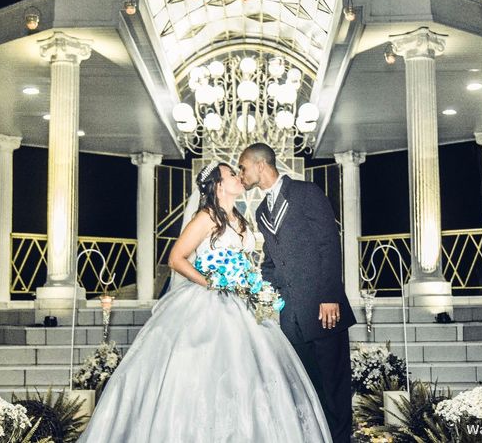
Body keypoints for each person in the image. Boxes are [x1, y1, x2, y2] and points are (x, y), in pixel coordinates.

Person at [77, 161, 331, 443]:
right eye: (231, 174)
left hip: (241, 301)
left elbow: (245, 261)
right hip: (209, 302)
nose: (238, 177)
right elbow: (176, 258)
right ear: (219, 185)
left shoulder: (240, 217)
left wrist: (251, 284)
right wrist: (211, 281)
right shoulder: (206, 217)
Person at [238, 143, 356, 443]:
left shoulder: (307, 192)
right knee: (309, 391)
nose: (241, 174)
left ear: (260, 165)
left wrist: (330, 296)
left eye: (243, 167)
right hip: (291, 318)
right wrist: (256, 285)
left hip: (323, 309)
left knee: (335, 390)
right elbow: (277, 263)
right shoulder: (263, 210)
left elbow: (328, 244)